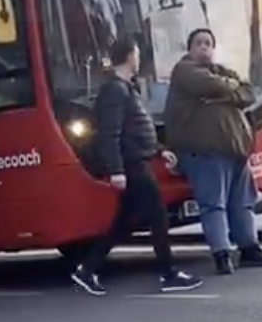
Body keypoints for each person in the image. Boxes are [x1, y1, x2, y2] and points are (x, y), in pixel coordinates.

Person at [71, 36, 202, 296]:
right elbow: (110, 134)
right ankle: (168, 274)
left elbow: (136, 129)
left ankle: (86, 270)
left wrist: (159, 151)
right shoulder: (115, 90)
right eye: (137, 54)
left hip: (137, 161)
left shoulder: (125, 88)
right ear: (130, 56)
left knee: (122, 224)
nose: (140, 58)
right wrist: (116, 170)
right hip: (132, 166)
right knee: (158, 216)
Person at [164, 28, 262, 275]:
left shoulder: (222, 72)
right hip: (204, 151)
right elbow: (210, 85)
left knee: (243, 202)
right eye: (199, 43)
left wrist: (223, 92)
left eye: (208, 43)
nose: (204, 47)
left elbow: (248, 92)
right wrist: (228, 91)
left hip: (234, 150)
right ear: (190, 49)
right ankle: (221, 254)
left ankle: (249, 248)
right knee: (213, 204)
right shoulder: (184, 70)